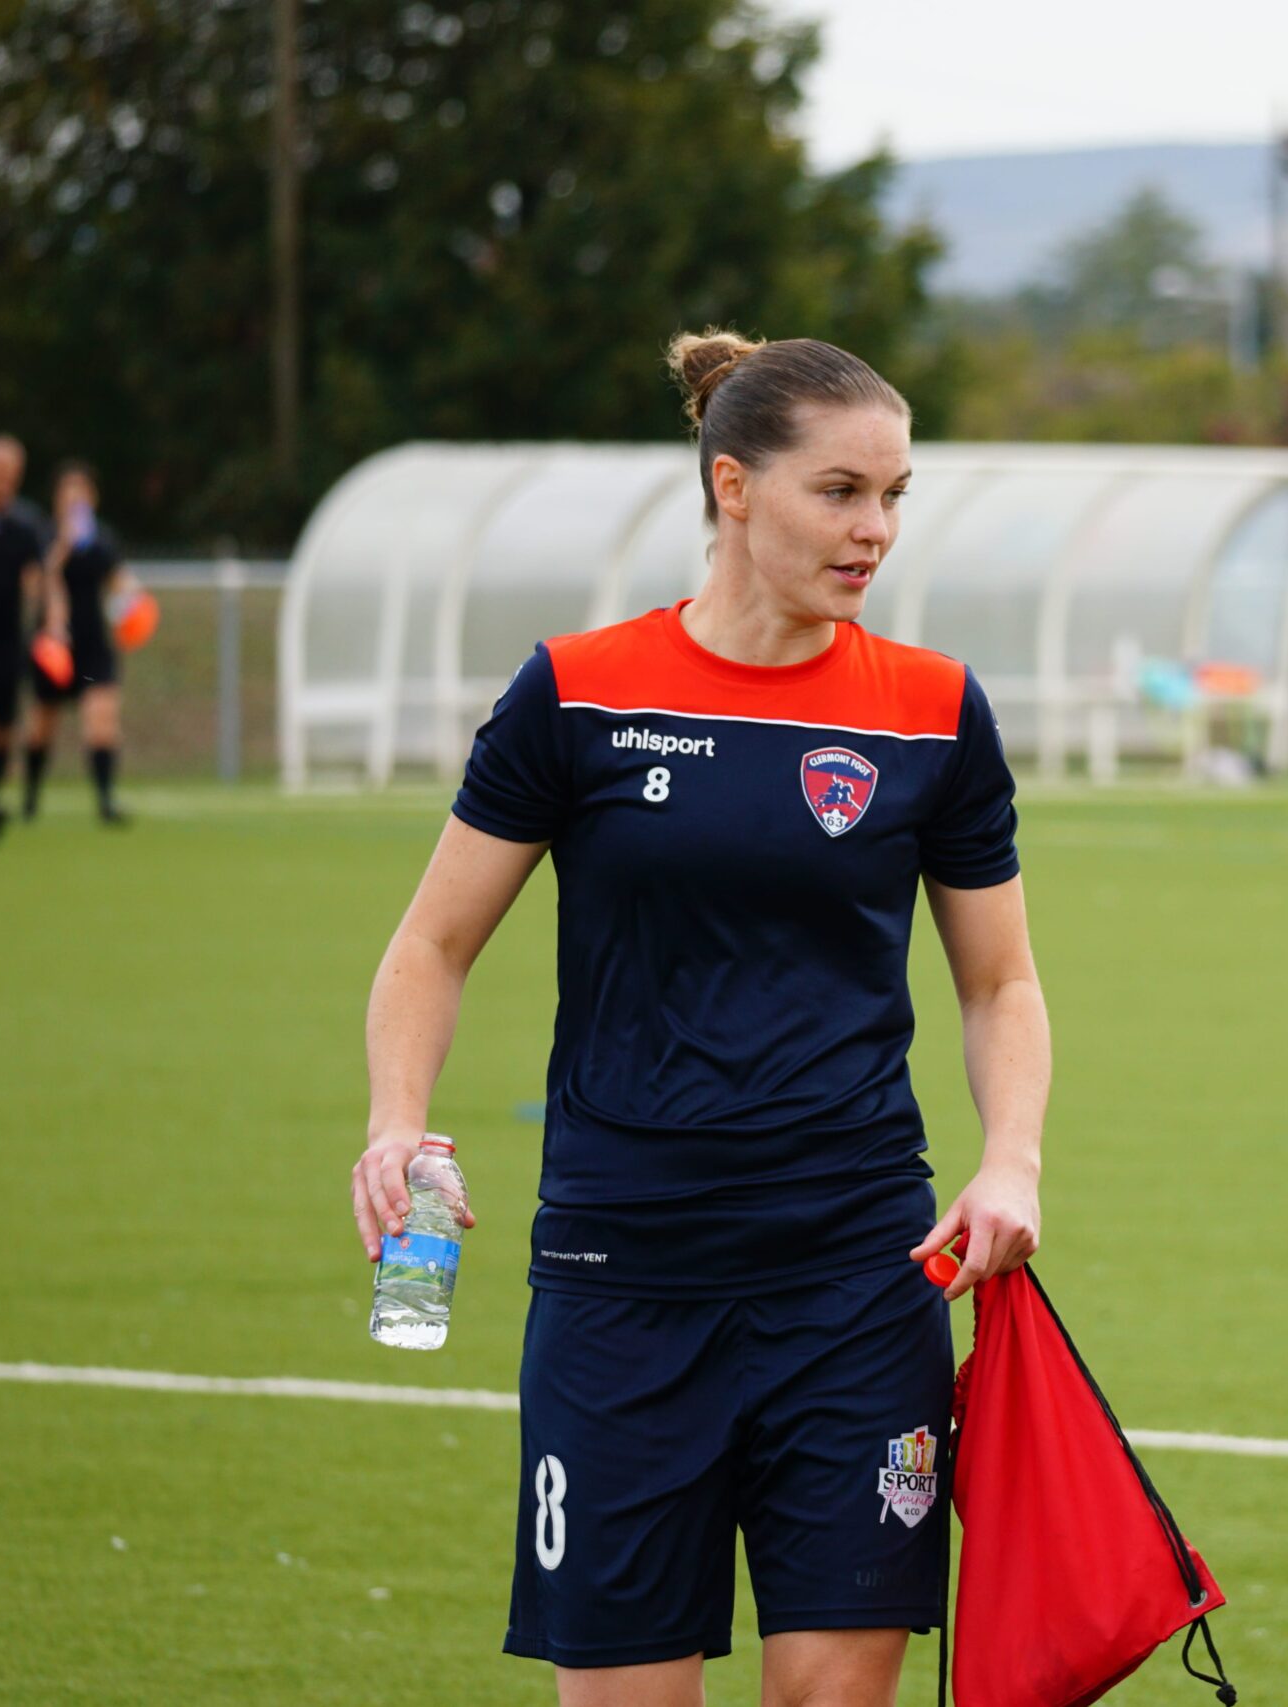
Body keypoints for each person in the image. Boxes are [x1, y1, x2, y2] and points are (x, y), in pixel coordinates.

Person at [351, 332, 1050, 1707]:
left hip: (858, 1276)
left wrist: (1012, 1152)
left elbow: (999, 981)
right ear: (733, 484)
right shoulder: (579, 692)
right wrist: (396, 1123)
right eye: (840, 491)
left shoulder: (932, 710)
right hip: (624, 1278)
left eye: (895, 494)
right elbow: (429, 945)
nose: (875, 530)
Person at [25, 460, 133, 825]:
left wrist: (134, 608)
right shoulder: (43, 537)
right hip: (55, 646)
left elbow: (119, 584)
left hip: (92, 645)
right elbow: (37, 587)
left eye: (82, 491)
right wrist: (62, 550)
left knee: (101, 721)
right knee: (42, 727)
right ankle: (30, 797)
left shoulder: (102, 539)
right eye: (67, 491)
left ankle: (105, 800)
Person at [0, 435, 48, 839]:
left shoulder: (25, 525)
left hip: (8, 640)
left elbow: (35, 583)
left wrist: (47, 625)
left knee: (4, 727)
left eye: (10, 473)